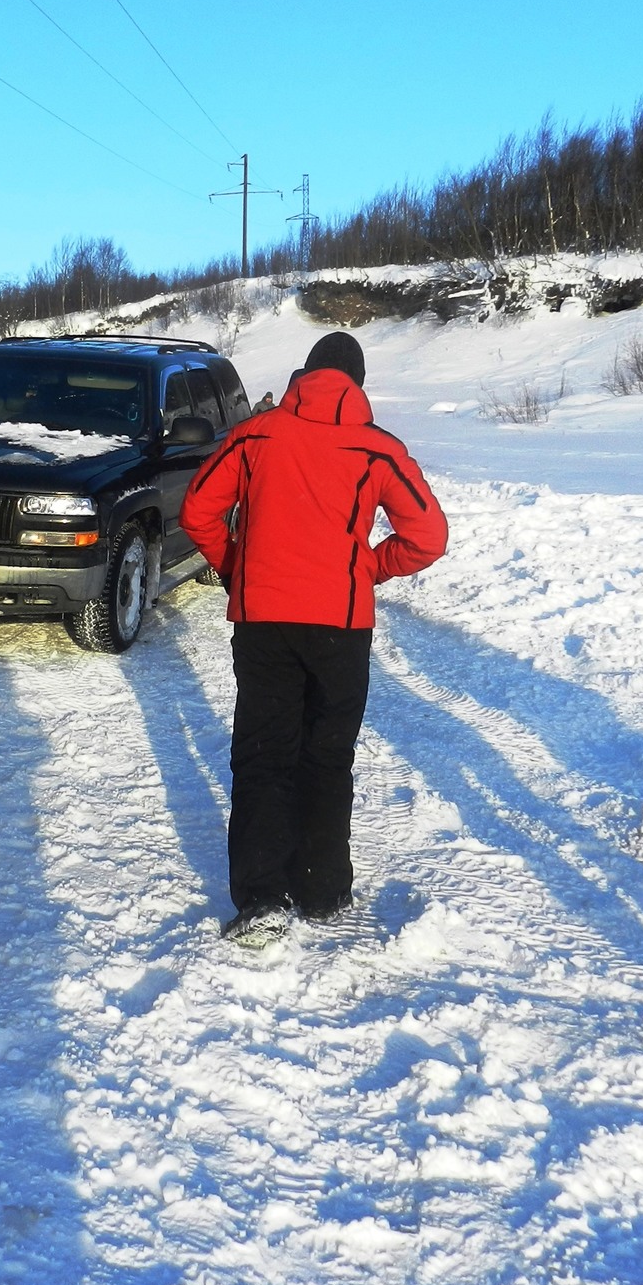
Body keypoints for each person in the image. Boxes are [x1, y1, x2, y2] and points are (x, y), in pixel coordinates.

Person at [181, 331, 450, 945]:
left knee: (263, 756)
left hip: (264, 623)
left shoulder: (256, 435)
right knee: (327, 756)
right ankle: (323, 889)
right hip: (342, 627)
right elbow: (428, 538)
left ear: (304, 373)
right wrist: (369, 568)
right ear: (357, 384)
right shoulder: (377, 449)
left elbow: (198, 511)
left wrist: (237, 568)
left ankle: (261, 902)